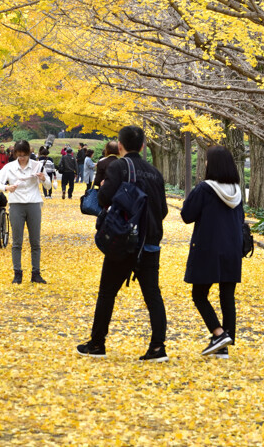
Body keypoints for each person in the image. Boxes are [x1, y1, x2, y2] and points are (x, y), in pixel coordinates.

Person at [77, 126, 169, 361]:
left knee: (107, 293)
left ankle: (97, 343)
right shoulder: (154, 172)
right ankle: (158, 347)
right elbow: (164, 210)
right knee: (153, 295)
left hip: (124, 240)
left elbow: (104, 197)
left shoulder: (118, 166)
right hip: (150, 241)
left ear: (120, 146)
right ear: (142, 146)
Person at [180, 145, 245, 358]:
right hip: (232, 250)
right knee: (227, 296)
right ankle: (224, 344)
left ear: (212, 164)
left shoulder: (205, 189)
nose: (205, 163)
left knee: (199, 295)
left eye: (207, 160)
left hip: (208, 248)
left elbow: (187, 215)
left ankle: (218, 333)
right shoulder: (237, 191)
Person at [0, 140, 51, 284]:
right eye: (19, 154)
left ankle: (35, 273)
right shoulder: (9, 167)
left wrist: (43, 179)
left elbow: (49, 185)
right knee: (17, 242)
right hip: (16, 205)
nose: (22, 157)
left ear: (29, 153)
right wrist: (7, 188)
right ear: (15, 154)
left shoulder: (37, 165)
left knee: (35, 241)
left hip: (33, 204)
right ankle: (17, 273)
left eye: (24, 154)